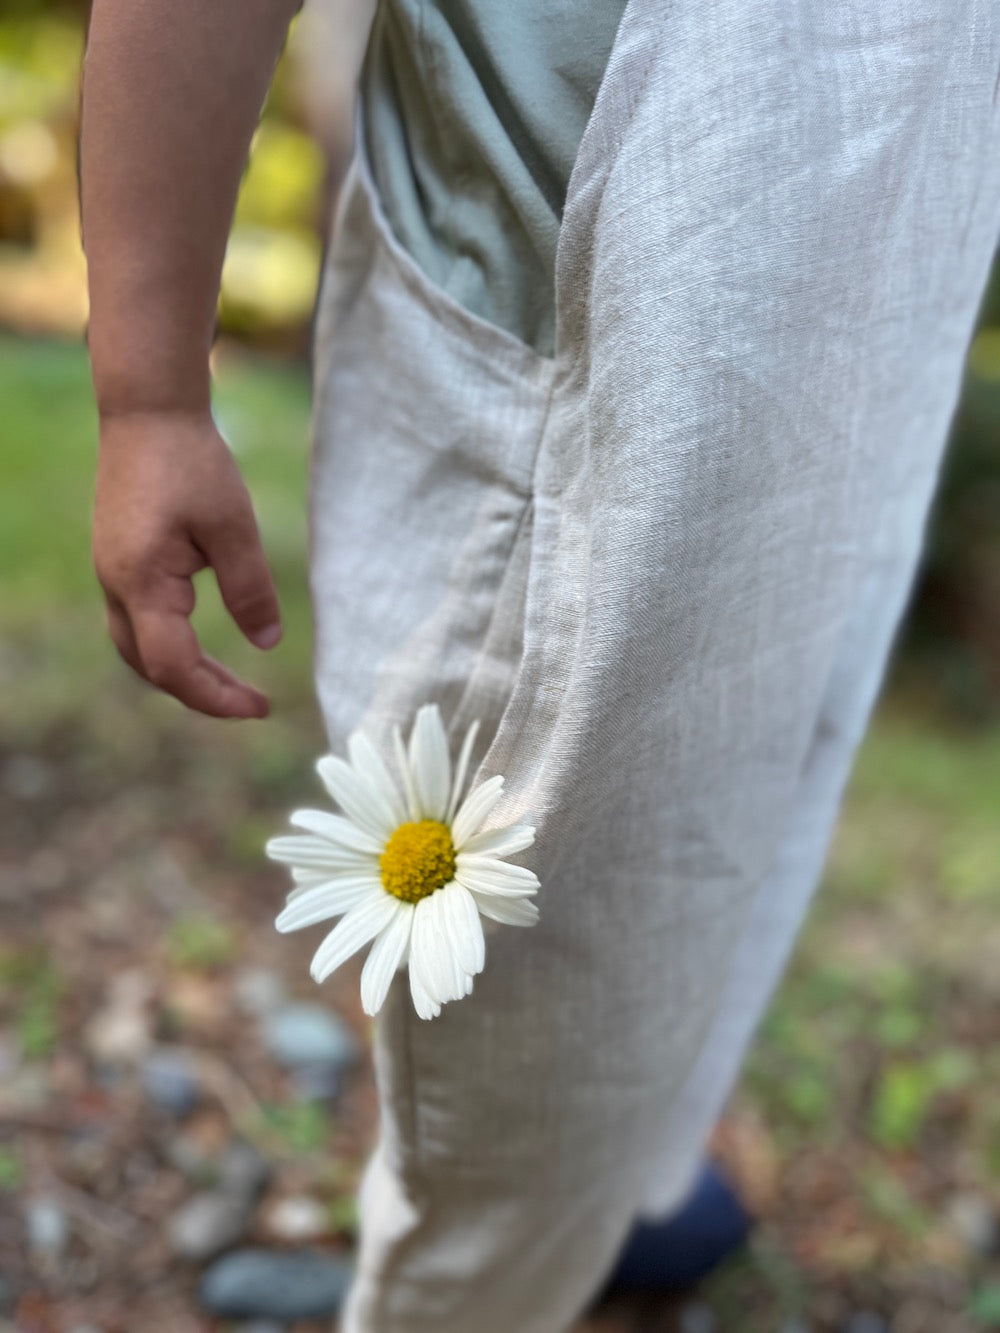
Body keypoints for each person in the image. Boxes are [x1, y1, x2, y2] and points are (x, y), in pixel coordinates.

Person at [80, 2, 1000, 1330]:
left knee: (722, 833)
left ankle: (602, 1166)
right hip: (560, 379)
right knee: (529, 938)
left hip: (840, 352)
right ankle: (480, 1258)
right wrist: (150, 390)